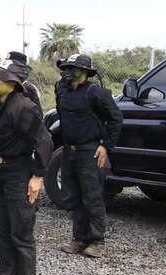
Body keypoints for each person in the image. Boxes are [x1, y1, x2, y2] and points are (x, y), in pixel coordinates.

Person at [0, 59, 53, 275]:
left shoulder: (24, 107)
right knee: (1, 230)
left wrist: (37, 175)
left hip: (18, 172)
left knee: (20, 232)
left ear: (12, 83)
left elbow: (43, 141)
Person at [56, 54, 123, 258]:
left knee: (92, 196)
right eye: (66, 68)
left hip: (89, 151)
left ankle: (97, 240)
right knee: (73, 196)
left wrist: (105, 146)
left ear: (85, 72)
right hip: (69, 151)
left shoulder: (96, 93)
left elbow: (115, 119)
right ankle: (79, 238)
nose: (68, 72)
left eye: (73, 68)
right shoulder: (62, 90)